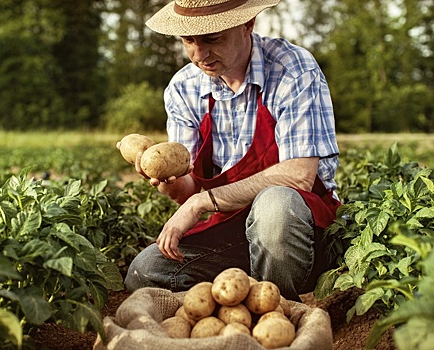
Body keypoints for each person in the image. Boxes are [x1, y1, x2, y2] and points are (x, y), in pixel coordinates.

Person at [122, 0, 341, 301]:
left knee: (274, 207)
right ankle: (232, 304)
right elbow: (189, 190)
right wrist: (169, 183)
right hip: (230, 228)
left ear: (247, 24)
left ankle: (275, 308)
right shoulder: (183, 89)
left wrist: (203, 202)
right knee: (146, 271)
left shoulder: (292, 70)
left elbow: (298, 175)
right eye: (189, 41)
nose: (199, 55)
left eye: (212, 38)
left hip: (300, 230)